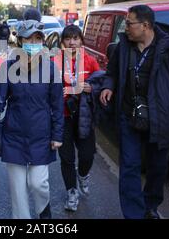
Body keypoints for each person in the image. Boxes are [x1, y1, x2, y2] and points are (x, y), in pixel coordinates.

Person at [99, 5, 169, 219]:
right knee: (130, 167)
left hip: (159, 118)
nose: (126, 27)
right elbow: (111, 72)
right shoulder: (123, 47)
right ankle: (134, 214)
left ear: (146, 25)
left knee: (157, 167)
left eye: (129, 23)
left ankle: (150, 205)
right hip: (128, 116)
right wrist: (108, 86)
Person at [0, 19, 64, 219]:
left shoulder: (51, 69)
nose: (33, 43)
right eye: (28, 38)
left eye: (37, 38)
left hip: (41, 135)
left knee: (38, 184)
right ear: (20, 41)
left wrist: (57, 134)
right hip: (14, 135)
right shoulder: (8, 68)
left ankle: (43, 209)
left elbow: (57, 106)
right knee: (18, 192)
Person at [53, 26, 100, 212]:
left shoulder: (90, 61)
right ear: (62, 42)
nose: (72, 42)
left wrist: (91, 88)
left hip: (84, 116)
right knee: (66, 158)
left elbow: (100, 83)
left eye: (75, 38)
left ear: (81, 40)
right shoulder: (54, 61)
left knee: (87, 155)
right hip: (62, 116)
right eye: (67, 39)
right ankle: (72, 192)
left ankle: (83, 175)